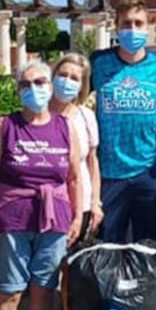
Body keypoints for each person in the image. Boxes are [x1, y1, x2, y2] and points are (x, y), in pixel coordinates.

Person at [0, 61, 82, 310]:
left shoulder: (65, 126)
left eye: (39, 82)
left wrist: (76, 219)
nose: (33, 89)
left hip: (55, 219)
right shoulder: (4, 126)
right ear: (17, 90)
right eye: (25, 84)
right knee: (10, 291)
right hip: (11, 219)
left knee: (43, 289)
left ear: (50, 87)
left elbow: (74, 178)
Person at [91, 0, 156, 244]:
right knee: (107, 251)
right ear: (116, 27)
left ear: (147, 27)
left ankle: (146, 286)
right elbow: (71, 100)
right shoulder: (98, 62)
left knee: (151, 251)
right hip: (108, 175)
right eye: (126, 24)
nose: (132, 30)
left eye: (138, 23)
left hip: (150, 174)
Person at [52, 53, 104, 240]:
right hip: (48, 205)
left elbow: (92, 162)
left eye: (74, 78)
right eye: (63, 75)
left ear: (82, 86)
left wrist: (96, 203)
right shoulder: (37, 114)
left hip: (81, 206)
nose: (66, 81)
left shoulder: (86, 117)